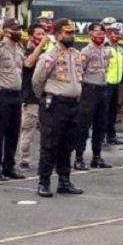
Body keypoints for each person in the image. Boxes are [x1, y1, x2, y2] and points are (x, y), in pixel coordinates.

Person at [32, 18, 84, 198]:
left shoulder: (76, 54)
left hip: (73, 104)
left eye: (73, 32)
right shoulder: (49, 56)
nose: (72, 36)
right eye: (68, 33)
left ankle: (64, 181)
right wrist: (46, 98)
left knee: (67, 144)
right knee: (50, 144)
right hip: (55, 104)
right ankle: (44, 182)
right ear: (58, 34)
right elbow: (37, 81)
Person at [0, 18, 26, 181]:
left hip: (16, 94)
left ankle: (9, 167)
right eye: (15, 29)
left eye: (20, 29)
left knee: (13, 134)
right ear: (6, 31)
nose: (19, 32)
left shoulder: (19, 49)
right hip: (1, 94)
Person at [74, 22, 113, 170]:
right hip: (89, 89)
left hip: (102, 89)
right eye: (97, 35)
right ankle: (79, 157)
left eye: (102, 35)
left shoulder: (106, 50)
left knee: (100, 125)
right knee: (83, 126)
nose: (100, 37)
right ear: (90, 35)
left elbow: (106, 68)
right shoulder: (86, 51)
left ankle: (97, 157)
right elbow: (80, 71)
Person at [16, 23, 47, 171]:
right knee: (28, 129)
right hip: (30, 97)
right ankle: (24, 159)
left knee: (48, 130)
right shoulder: (27, 51)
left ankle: (45, 159)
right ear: (31, 36)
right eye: (39, 34)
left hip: (45, 97)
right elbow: (28, 64)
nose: (42, 37)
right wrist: (40, 45)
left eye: (43, 34)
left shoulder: (47, 53)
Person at [102, 19, 123, 146]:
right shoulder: (105, 48)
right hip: (107, 83)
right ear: (108, 34)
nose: (117, 35)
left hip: (116, 82)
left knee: (113, 111)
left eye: (118, 33)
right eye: (114, 33)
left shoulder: (120, 49)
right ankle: (103, 136)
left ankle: (111, 136)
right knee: (104, 112)